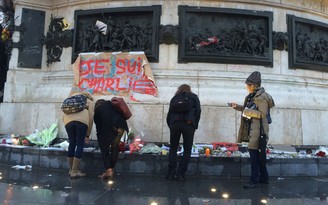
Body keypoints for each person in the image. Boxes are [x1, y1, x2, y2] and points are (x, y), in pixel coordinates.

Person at [229, 71, 275, 188]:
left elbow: (262, 114)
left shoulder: (262, 97)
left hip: (259, 131)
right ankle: (264, 178)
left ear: (253, 85)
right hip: (253, 129)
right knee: (258, 156)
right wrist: (238, 107)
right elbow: (247, 109)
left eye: (248, 85)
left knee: (255, 156)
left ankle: (254, 180)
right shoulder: (252, 96)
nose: (246, 87)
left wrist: (246, 111)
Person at [166, 84, 201, 181]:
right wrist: (195, 125)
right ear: (189, 89)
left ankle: (171, 173)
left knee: (173, 148)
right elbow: (198, 111)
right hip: (188, 125)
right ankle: (181, 174)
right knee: (187, 149)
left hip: (175, 124)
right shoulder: (193, 97)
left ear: (179, 89)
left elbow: (169, 114)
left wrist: (171, 125)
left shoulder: (175, 97)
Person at [94, 99, 129, 179]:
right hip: (121, 127)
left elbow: (99, 130)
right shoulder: (112, 105)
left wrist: (101, 142)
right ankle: (112, 169)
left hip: (112, 128)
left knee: (104, 148)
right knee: (115, 147)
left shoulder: (98, 111)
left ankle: (109, 171)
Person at [63, 92, 94, 178]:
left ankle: (70, 170)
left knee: (72, 143)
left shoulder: (71, 98)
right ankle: (75, 171)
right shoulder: (89, 101)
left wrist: (66, 123)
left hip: (67, 121)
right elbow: (91, 117)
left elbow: (64, 113)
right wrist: (87, 134)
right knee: (80, 144)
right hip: (81, 122)